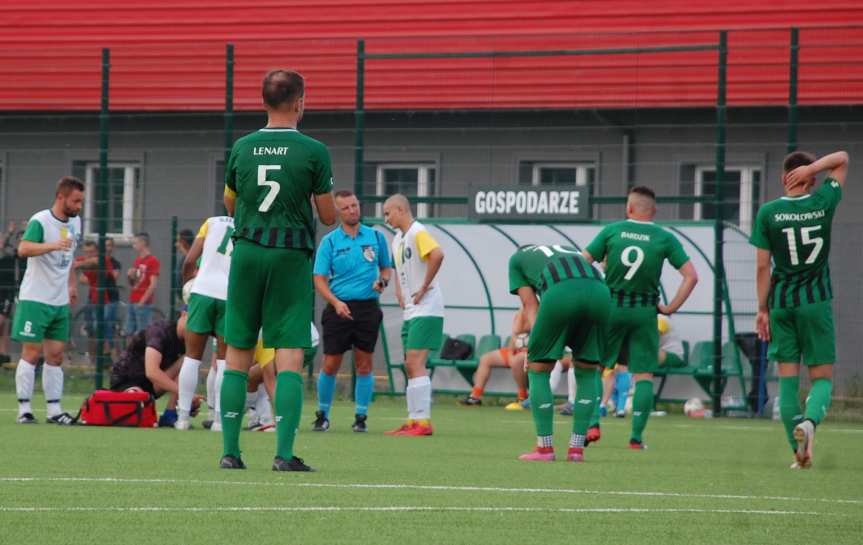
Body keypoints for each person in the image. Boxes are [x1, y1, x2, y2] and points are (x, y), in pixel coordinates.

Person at [219, 69, 336, 471]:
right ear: (300, 101)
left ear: (263, 101)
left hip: (248, 252)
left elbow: (230, 204)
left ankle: (230, 453)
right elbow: (327, 215)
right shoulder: (313, 151)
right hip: (289, 256)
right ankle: (284, 455)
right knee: (288, 354)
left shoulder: (242, 146)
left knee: (237, 353)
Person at [750, 150, 848, 469]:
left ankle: (798, 452)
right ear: (812, 179)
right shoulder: (822, 202)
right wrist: (814, 167)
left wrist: (761, 309)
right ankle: (809, 423)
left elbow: (763, 266)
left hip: (781, 304)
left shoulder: (768, 212)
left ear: (783, 178)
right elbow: (843, 158)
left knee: (788, 381)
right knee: (821, 378)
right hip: (815, 303)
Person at [583, 186, 698, 450]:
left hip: (611, 308)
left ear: (629, 208)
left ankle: (592, 423)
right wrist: (670, 308)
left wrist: (594, 292)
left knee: (596, 368)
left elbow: (582, 261)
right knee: (643, 375)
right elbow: (691, 276)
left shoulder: (612, 231)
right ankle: (635, 438)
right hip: (645, 311)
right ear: (654, 211)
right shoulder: (663, 237)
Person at [508, 244, 610, 463]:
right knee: (586, 370)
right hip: (601, 293)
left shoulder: (517, 260)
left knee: (538, 370)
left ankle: (544, 449)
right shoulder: (567, 249)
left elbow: (530, 305)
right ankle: (576, 450)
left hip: (562, 293)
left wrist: (535, 346)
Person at [312, 189, 392, 433]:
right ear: (338, 212)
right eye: (346, 207)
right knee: (330, 363)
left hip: (368, 308)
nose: (352, 210)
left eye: (355, 205)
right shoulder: (330, 242)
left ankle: (361, 416)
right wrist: (336, 303)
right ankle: (323, 414)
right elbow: (319, 278)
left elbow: (386, 269)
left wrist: (383, 282)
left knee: (364, 364)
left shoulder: (375, 237)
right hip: (338, 308)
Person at [12, 177, 83, 425]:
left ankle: (54, 409)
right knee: (31, 353)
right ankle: (25, 409)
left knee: (56, 356)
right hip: (35, 298)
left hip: (59, 300)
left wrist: (72, 284)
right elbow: (24, 249)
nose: (79, 206)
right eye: (75, 201)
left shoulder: (76, 222)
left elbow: (70, 256)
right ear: (61, 198)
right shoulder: (40, 220)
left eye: (81, 201)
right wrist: (52, 245)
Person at [382, 194, 445, 437]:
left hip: (427, 308)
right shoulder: (398, 239)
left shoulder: (418, 231)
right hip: (411, 310)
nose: (386, 218)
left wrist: (425, 285)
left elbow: (437, 254)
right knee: (410, 364)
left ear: (400, 209)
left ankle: (423, 422)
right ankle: (413, 420)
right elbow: (399, 268)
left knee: (416, 362)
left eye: (388, 213)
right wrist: (399, 290)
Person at [174, 216, 233, 431]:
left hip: (202, 292)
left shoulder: (212, 222)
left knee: (192, 357)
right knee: (225, 361)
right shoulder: (249, 225)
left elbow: (190, 261)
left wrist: (188, 285)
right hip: (229, 296)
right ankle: (218, 419)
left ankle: (182, 419)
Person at [109, 318, 196, 425]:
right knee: (136, 406)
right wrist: (186, 394)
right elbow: (152, 373)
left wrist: (186, 402)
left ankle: (170, 413)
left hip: (152, 386)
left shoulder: (190, 340)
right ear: (184, 315)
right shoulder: (160, 330)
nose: (196, 328)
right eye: (194, 321)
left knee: (189, 360)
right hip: (127, 381)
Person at [459, 311, 529, 408]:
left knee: (516, 361)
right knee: (486, 359)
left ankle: (523, 396)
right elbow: (514, 335)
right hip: (517, 350)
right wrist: (511, 353)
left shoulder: (539, 313)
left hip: (532, 352)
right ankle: (475, 397)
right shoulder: (521, 312)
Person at [78, 239, 122, 362]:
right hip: (94, 299)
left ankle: (111, 359)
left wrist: (77, 265)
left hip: (109, 299)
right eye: (86, 252)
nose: (89, 255)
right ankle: (100, 360)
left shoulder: (104, 259)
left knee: (106, 329)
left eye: (91, 252)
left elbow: (94, 263)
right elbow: (81, 279)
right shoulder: (85, 261)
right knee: (94, 329)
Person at [0, 221, 23, 364]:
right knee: (3, 325)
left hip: (7, 290)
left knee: (2, 321)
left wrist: (13, 233)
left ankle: (4, 352)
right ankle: (2, 354)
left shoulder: (12, 252)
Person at [127, 232, 160, 333]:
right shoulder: (137, 260)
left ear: (143, 243)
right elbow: (134, 282)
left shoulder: (152, 260)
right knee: (129, 331)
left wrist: (142, 301)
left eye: (136, 243)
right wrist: (130, 275)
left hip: (143, 301)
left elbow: (153, 284)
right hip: (133, 299)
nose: (134, 246)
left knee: (142, 331)